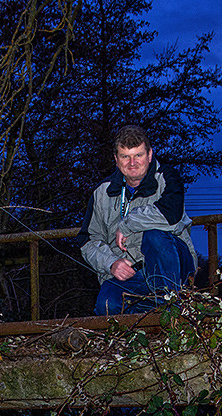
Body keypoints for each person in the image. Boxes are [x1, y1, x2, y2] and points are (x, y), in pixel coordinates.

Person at [78, 125, 198, 315]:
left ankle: (173, 309)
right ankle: (152, 314)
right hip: (132, 273)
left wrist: (127, 224)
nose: (132, 163)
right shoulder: (102, 192)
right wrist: (111, 263)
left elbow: (171, 217)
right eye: (125, 156)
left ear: (150, 155)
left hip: (173, 265)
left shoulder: (168, 178)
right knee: (106, 307)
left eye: (138, 155)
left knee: (154, 236)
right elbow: (87, 241)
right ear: (116, 160)